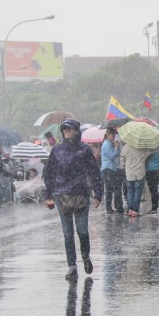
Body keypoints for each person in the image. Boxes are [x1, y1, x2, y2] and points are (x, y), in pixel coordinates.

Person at [43, 118, 102, 279]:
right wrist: (47, 194)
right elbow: (49, 173)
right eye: (64, 129)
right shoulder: (56, 150)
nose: (67, 132)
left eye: (69, 129)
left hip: (81, 194)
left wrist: (98, 193)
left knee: (82, 231)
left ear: (76, 130)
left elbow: (94, 172)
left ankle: (86, 257)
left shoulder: (84, 150)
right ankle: (72, 266)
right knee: (67, 234)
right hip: (61, 195)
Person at [120, 142, 152, 217]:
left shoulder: (125, 147)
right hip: (139, 173)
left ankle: (130, 209)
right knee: (138, 191)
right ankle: (135, 210)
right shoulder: (140, 147)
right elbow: (148, 153)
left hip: (129, 173)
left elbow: (122, 160)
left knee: (130, 191)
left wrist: (126, 165)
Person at [100, 128, 123, 214]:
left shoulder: (109, 144)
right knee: (109, 189)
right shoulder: (106, 144)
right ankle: (108, 208)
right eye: (113, 135)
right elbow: (112, 156)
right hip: (107, 169)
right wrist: (116, 148)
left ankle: (109, 207)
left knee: (111, 189)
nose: (114, 137)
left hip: (111, 169)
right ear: (108, 135)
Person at [144, 150, 159, 215]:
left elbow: (145, 157)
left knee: (152, 190)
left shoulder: (150, 149)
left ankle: (154, 208)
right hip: (158, 169)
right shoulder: (157, 148)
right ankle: (155, 207)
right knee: (155, 189)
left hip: (151, 170)